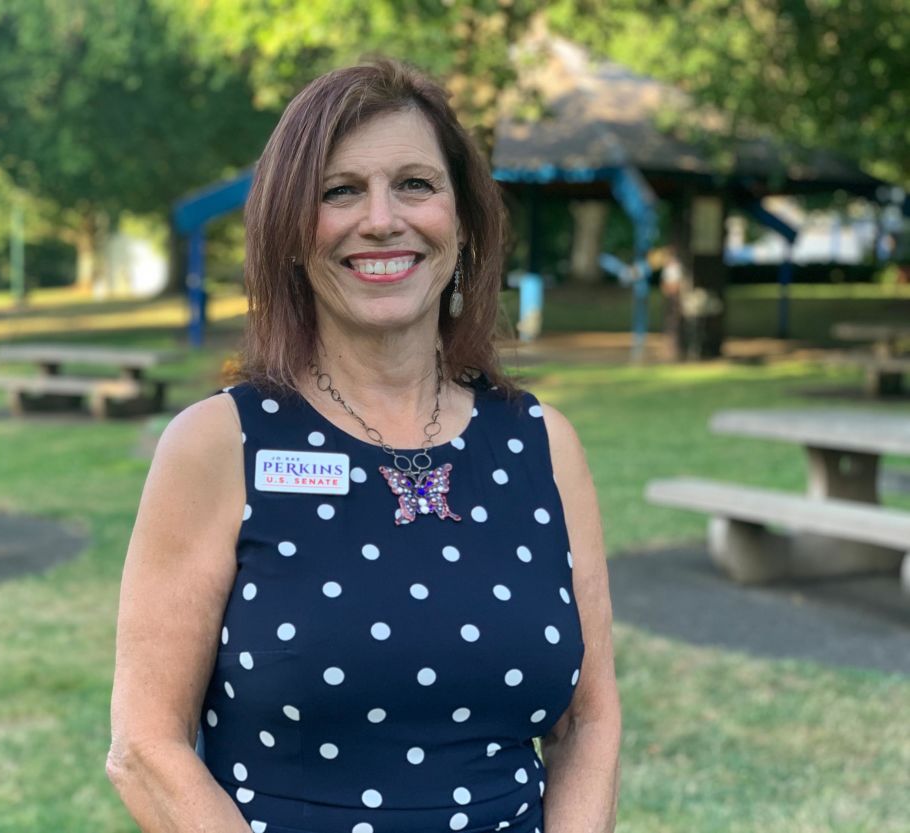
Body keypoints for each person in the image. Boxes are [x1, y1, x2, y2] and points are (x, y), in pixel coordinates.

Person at [107, 59, 621, 833]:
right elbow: (145, 746)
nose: (381, 219)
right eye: (339, 191)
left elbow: (588, 723)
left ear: (464, 222)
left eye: (415, 184)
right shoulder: (221, 444)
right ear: (287, 232)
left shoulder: (542, 445)